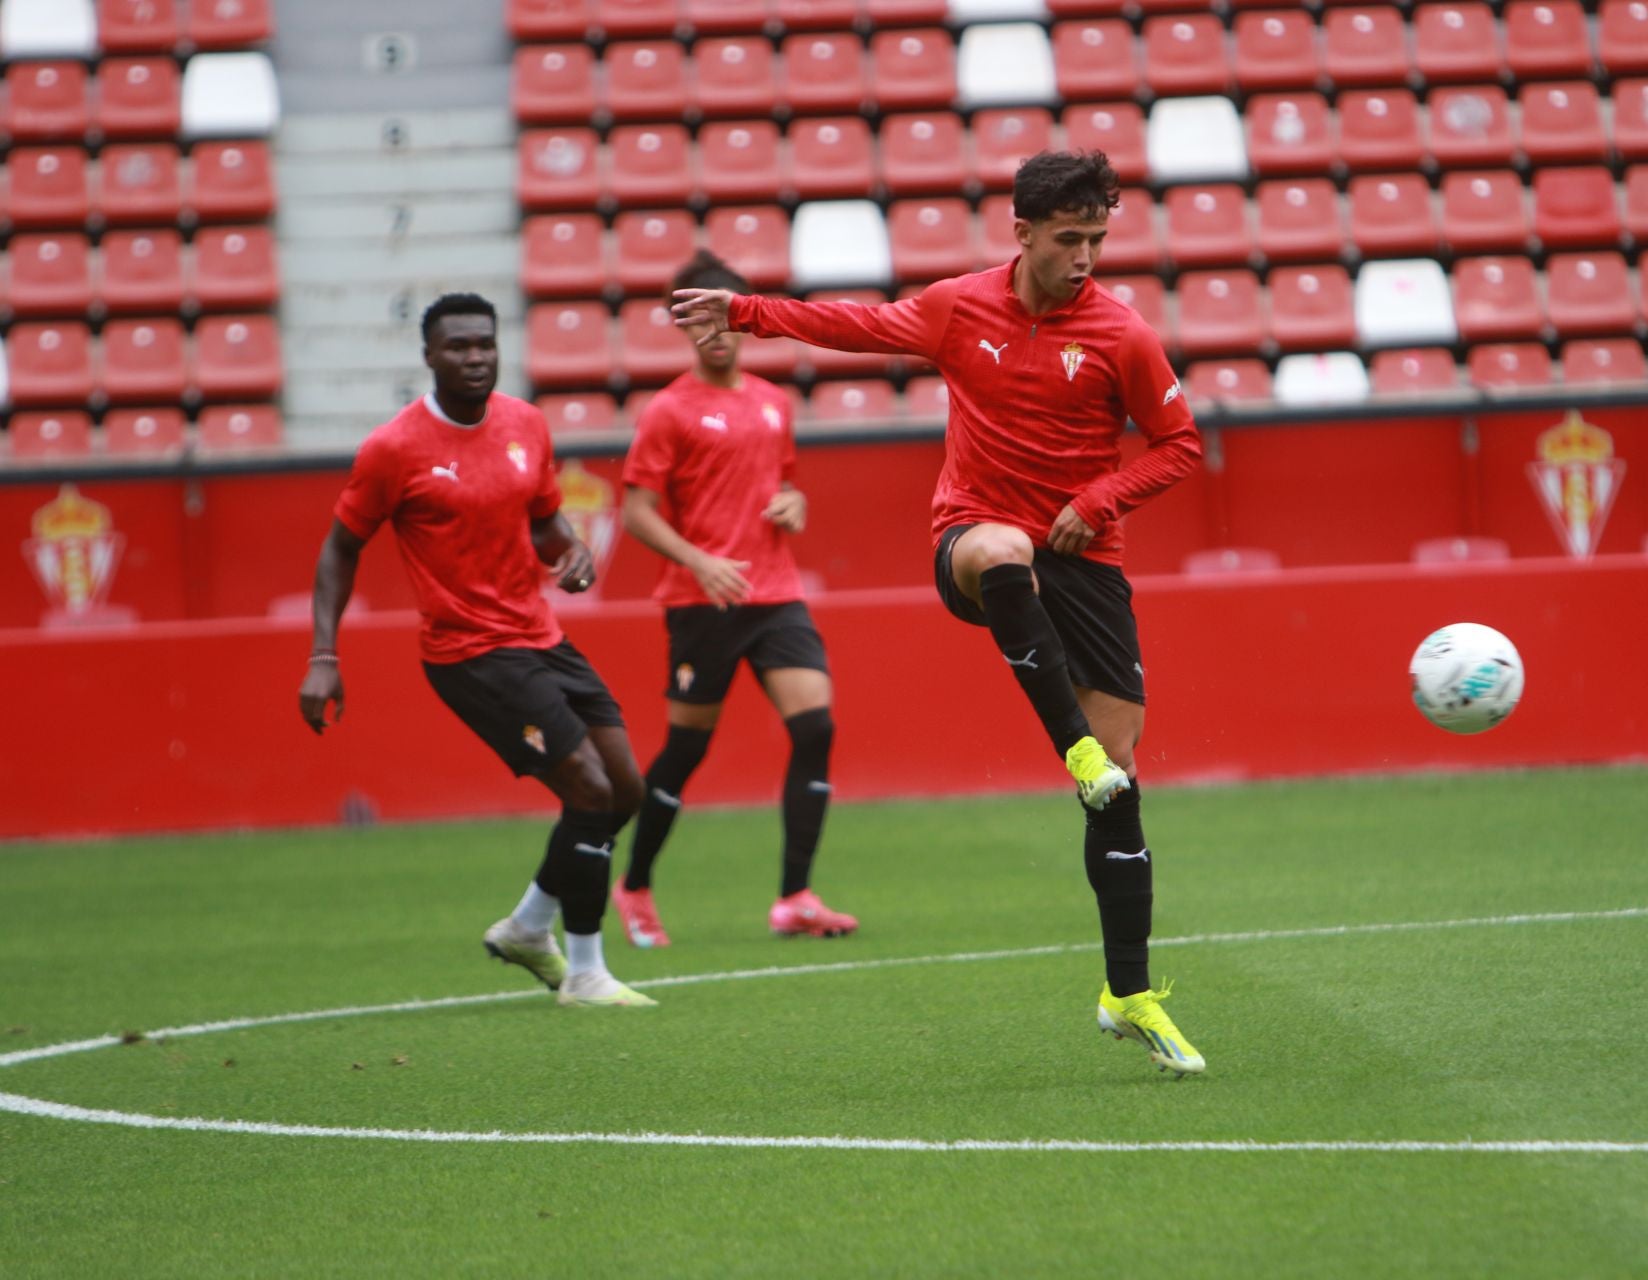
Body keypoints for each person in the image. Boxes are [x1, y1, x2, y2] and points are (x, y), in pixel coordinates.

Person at [669, 151, 1208, 1074]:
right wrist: (748, 313)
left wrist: (1102, 499)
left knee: (1118, 788)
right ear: (1024, 230)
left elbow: (1180, 445)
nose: (1085, 257)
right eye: (1069, 239)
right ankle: (1068, 744)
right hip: (974, 539)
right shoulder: (962, 306)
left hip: (1084, 562)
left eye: (1098, 239)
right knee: (1002, 554)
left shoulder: (1121, 334)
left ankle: (1128, 993)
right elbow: (859, 326)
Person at [297, 292, 653, 1009]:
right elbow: (340, 551)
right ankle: (584, 973)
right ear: (428, 356)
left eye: (484, 344)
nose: (475, 357)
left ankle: (527, 927)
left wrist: (573, 551)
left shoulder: (526, 425)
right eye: (458, 346)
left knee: (625, 790)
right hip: (468, 652)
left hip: (539, 634)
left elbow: (547, 523)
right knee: (587, 789)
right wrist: (323, 656)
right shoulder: (394, 449)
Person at [610, 251, 857, 948]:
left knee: (816, 728)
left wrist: (794, 502)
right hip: (701, 601)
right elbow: (635, 511)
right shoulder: (667, 411)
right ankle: (633, 887)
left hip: (776, 593)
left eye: (725, 311)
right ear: (680, 322)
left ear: (744, 316)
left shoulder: (774, 403)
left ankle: (795, 897)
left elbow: (782, 486)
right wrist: (698, 559)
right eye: (697, 313)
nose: (714, 328)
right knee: (686, 750)